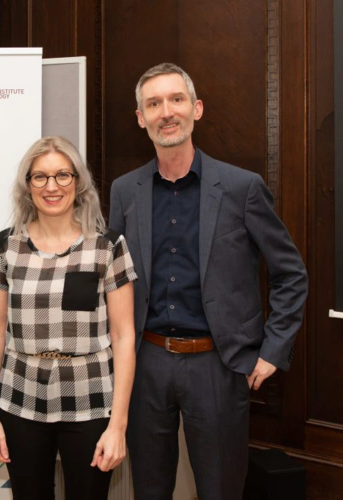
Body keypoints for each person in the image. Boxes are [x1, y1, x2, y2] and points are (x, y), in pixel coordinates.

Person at [108, 62, 308, 500]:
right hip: (146, 364)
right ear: (141, 118)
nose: (166, 112)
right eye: (154, 103)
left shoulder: (242, 188)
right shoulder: (125, 191)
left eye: (176, 100)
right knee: (149, 490)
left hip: (218, 364)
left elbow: (290, 274)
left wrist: (273, 350)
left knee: (220, 489)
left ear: (196, 109)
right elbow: (113, 281)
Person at [0, 136, 137, 499]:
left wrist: (118, 424)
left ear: (78, 182)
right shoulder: (5, 247)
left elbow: (124, 336)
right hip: (20, 401)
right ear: (27, 185)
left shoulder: (108, 247)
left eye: (62, 176)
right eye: (41, 177)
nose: (52, 187)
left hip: (91, 400)